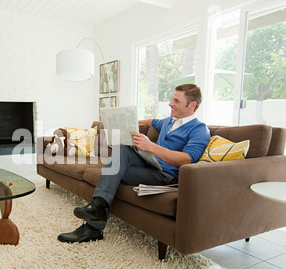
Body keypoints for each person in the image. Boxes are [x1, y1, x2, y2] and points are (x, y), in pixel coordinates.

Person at [57, 84, 210, 243]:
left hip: (166, 176)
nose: (171, 104)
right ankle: (98, 207)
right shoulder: (170, 121)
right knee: (121, 151)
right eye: (172, 99)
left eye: (176, 101)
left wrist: (150, 146)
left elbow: (186, 159)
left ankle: (92, 226)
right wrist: (130, 122)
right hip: (151, 165)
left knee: (113, 170)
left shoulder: (199, 129)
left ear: (192, 105)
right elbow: (152, 121)